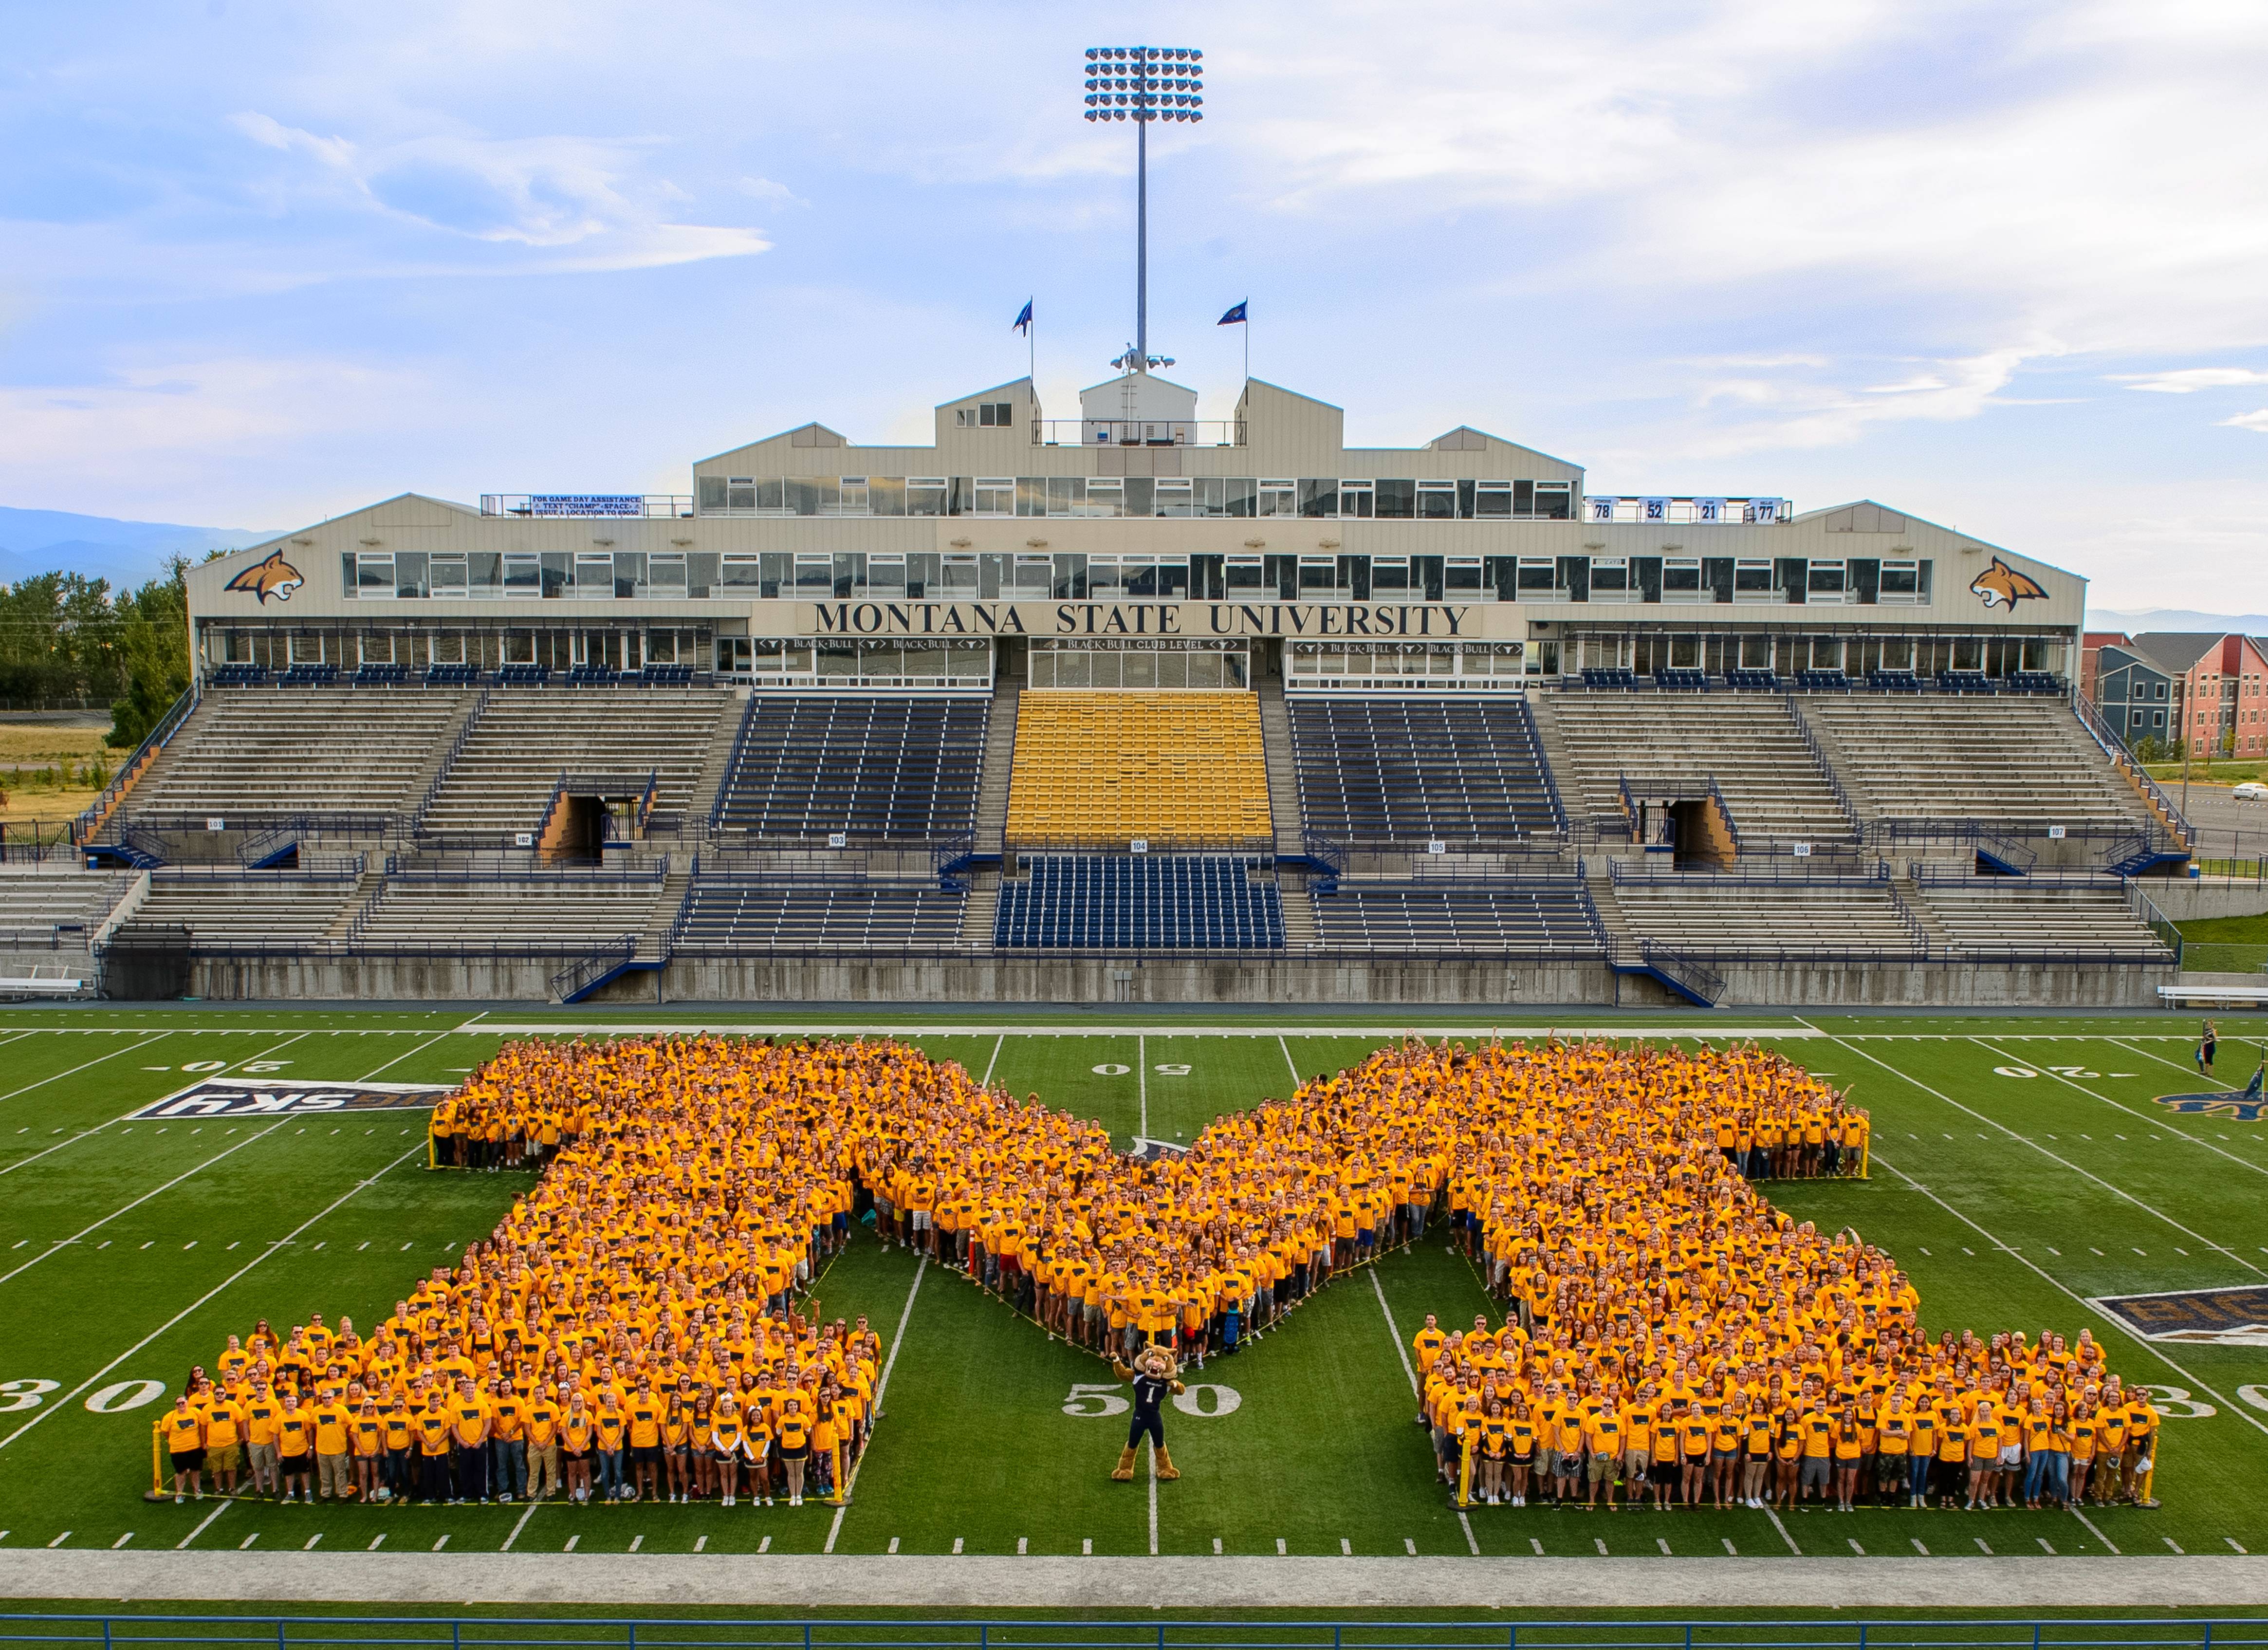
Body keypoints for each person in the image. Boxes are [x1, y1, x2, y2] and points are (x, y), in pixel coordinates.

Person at [1109, 1345, 1185, 1483]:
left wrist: (1176, 1385)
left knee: (1159, 1443)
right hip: (1140, 1415)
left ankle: (1165, 1468)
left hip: (1154, 1416)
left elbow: (1181, 1391)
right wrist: (1116, 1361)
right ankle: (1125, 1469)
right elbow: (1123, 1374)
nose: (1156, 1362)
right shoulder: (1138, 1376)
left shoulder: (1165, 1382)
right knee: (1133, 1442)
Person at [163, 1394, 205, 1503]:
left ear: (187, 1402)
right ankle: (180, 1493)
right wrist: (174, 1441)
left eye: (183, 1403)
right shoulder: (170, 1417)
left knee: (195, 1471)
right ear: (176, 1406)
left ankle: (197, 1490)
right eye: (179, 1404)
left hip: (195, 1448)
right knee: (180, 1472)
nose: (181, 1405)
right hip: (178, 1450)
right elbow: (165, 1432)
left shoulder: (196, 1412)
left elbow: (203, 1425)